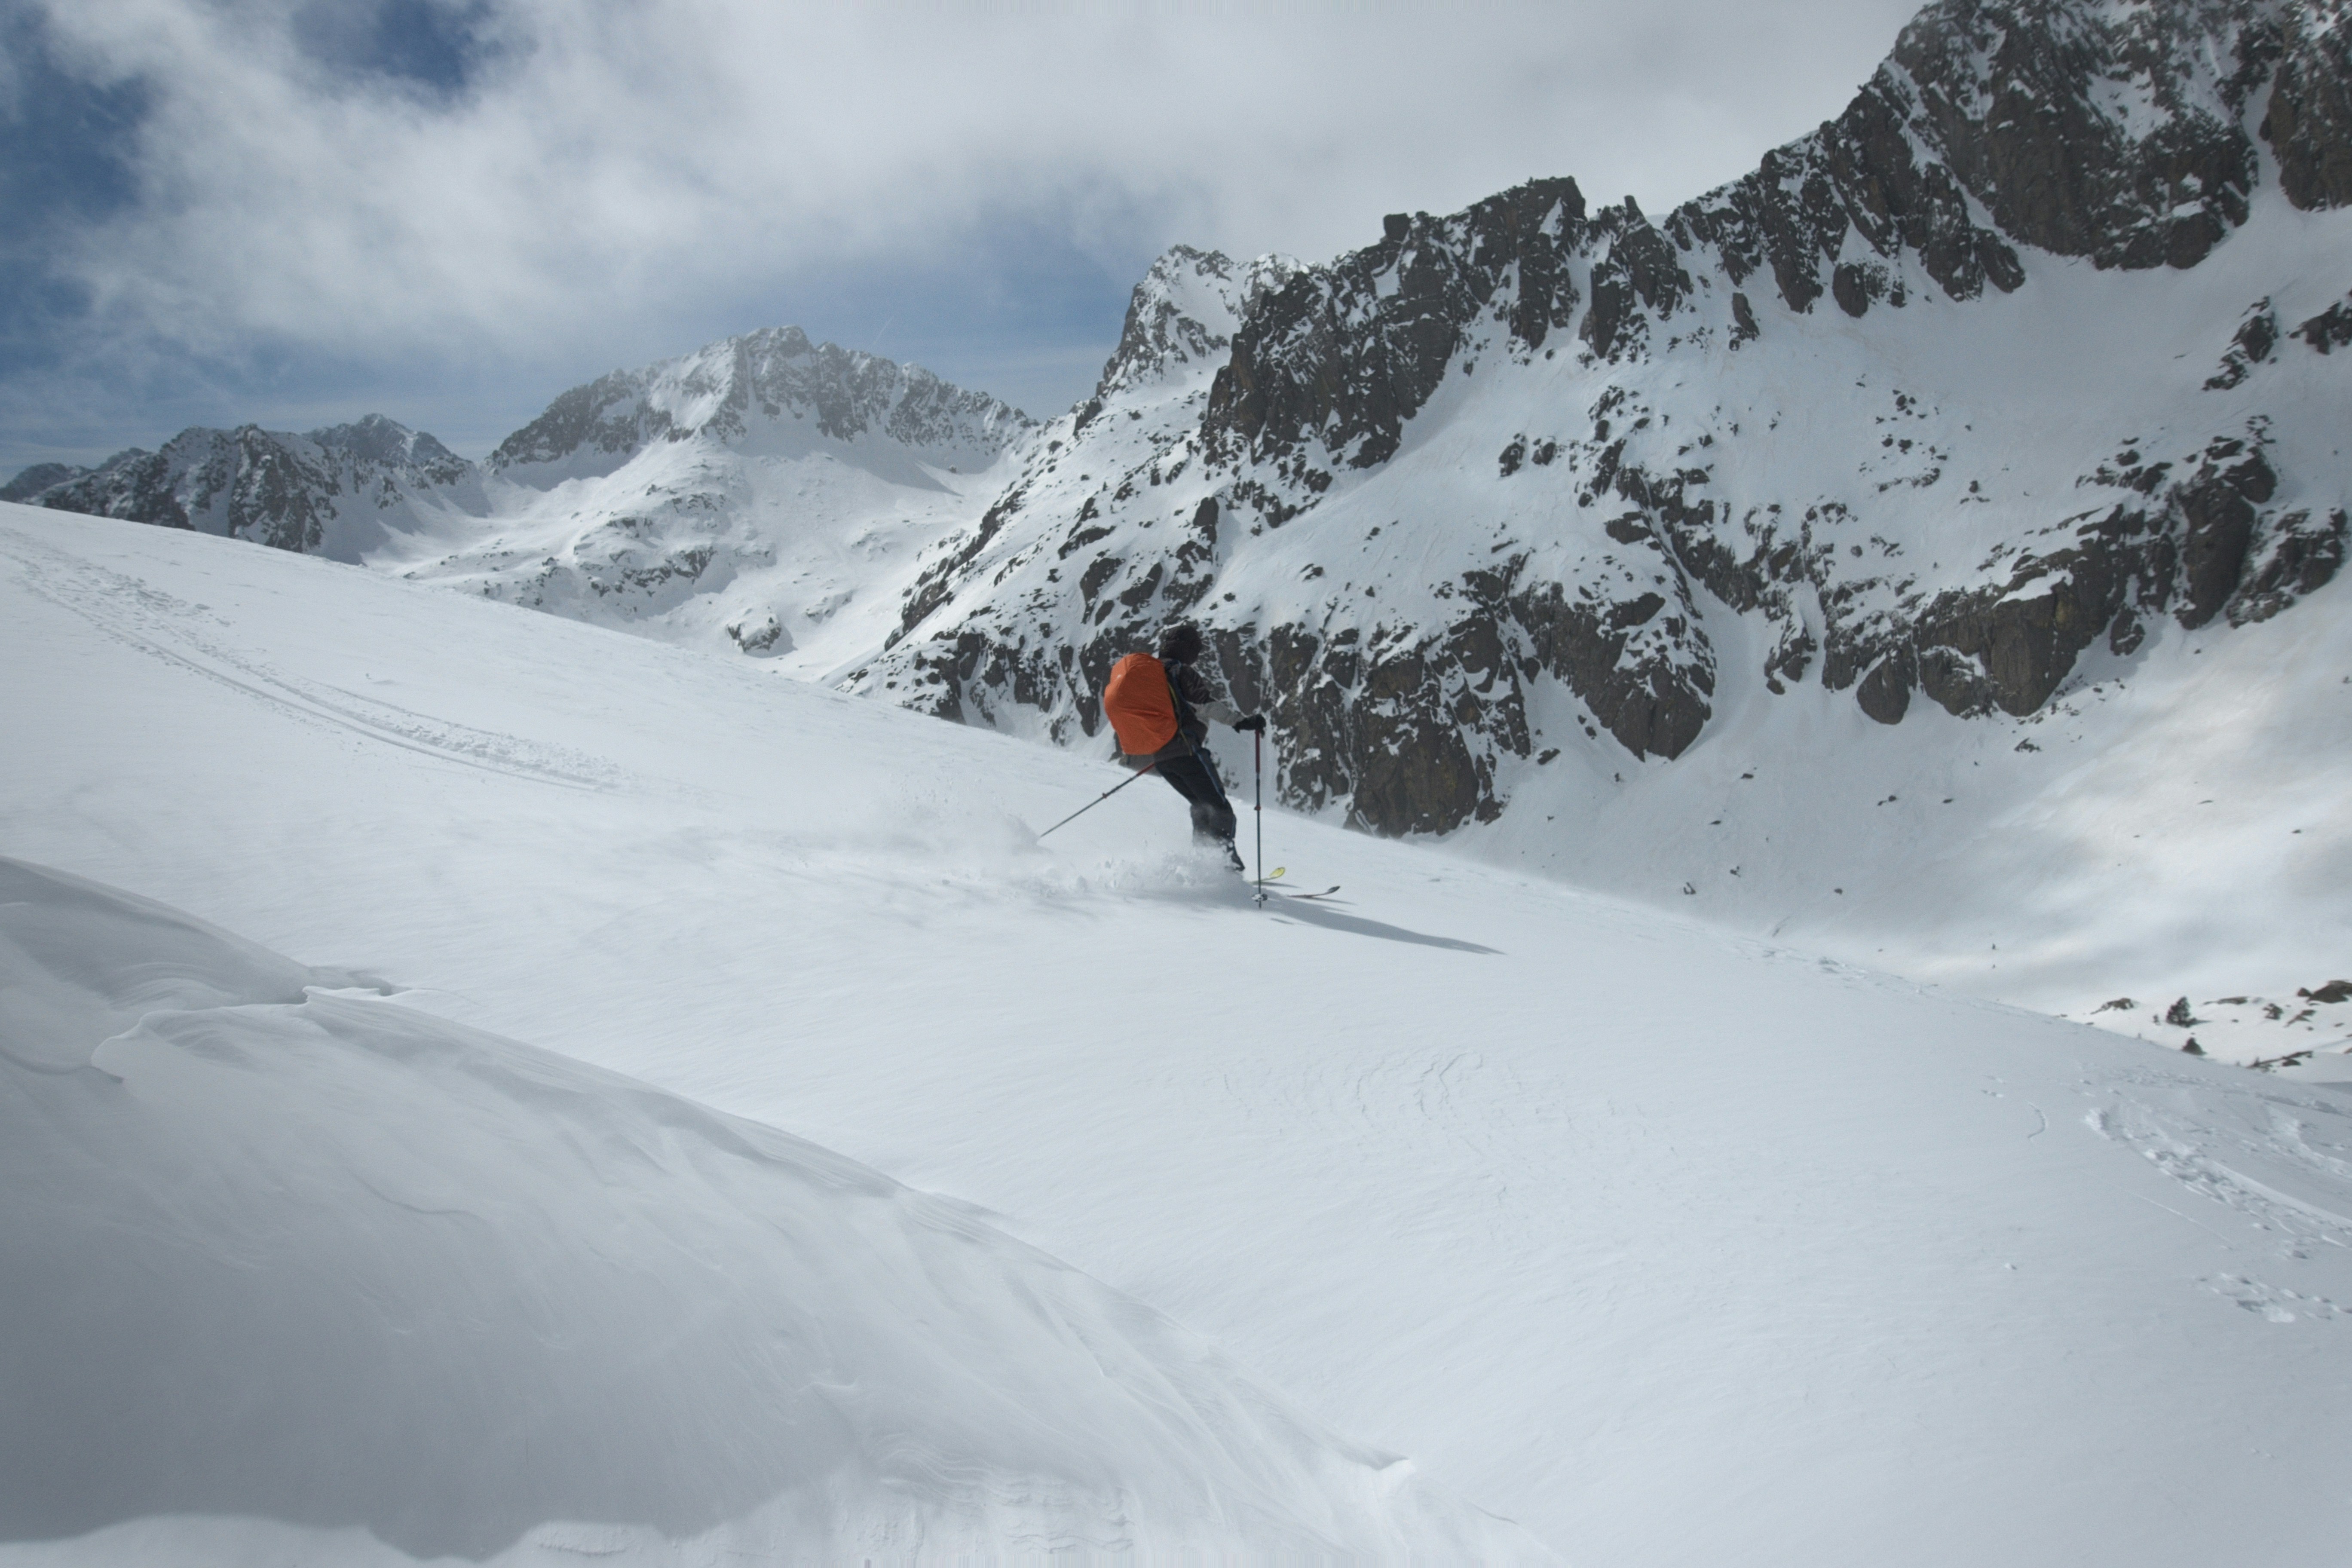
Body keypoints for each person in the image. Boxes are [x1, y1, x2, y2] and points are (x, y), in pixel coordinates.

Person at [1115, 622, 1265, 870]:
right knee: (1219, 809)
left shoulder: (1152, 675)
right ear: (1189, 649)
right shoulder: (1181, 673)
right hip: (1187, 752)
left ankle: (1204, 864)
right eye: (1196, 649)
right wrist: (1243, 722)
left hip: (1163, 759)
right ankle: (1226, 867)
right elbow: (1207, 705)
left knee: (1202, 807)